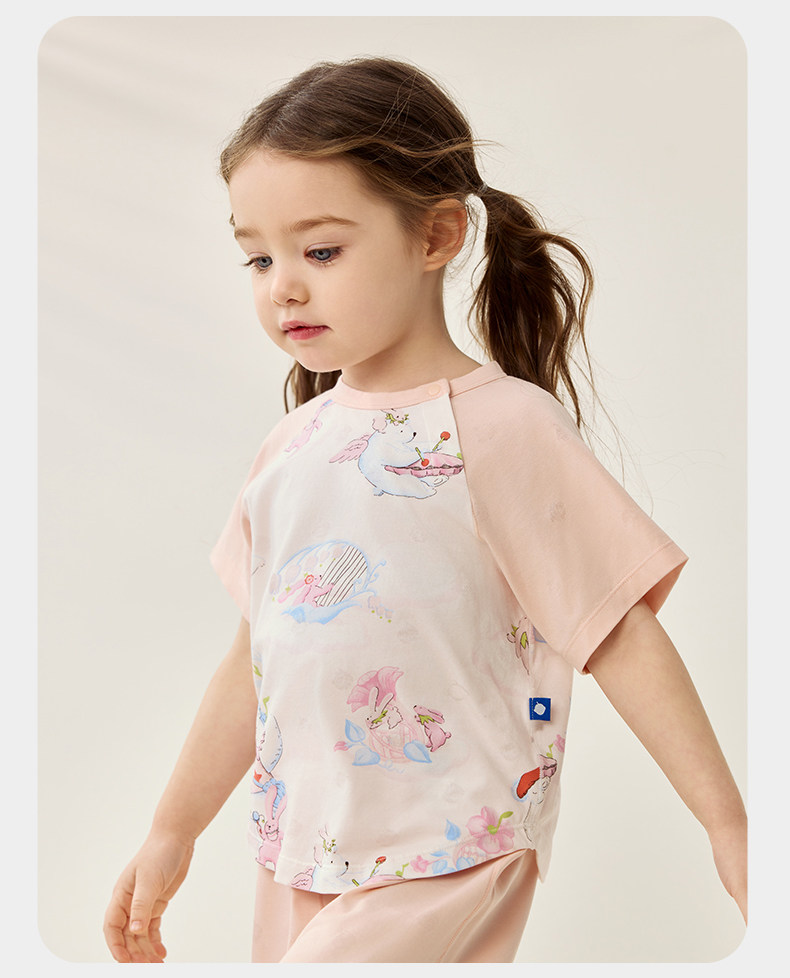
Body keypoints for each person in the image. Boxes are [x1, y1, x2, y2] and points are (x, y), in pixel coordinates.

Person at [102, 57, 747, 964]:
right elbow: (254, 660)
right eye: (259, 256)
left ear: (437, 235)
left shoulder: (504, 427)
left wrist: (730, 825)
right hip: (302, 852)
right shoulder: (290, 449)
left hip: (449, 847)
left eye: (321, 251)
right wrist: (172, 831)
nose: (282, 285)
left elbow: (618, 630)